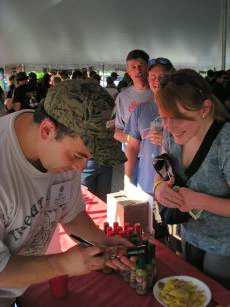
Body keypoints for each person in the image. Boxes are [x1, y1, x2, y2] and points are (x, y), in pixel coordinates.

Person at [0, 79, 132, 306]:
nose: (80, 168)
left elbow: (70, 213)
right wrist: (64, 265)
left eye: (88, 158)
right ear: (47, 130)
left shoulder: (61, 144)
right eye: (78, 156)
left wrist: (102, 242)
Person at [154, 69, 230, 288]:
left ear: (205, 108)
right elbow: (162, 171)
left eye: (177, 118)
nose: (168, 127)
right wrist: (159, 188)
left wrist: (198, 200)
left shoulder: (224, 143)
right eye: (164, 117)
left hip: (223, 245)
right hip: (189, 234)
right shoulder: (171, 134)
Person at [124, 58, 175, 194]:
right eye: (153, 76)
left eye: (162, 77)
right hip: (145, 183)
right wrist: (127, 178)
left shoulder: (181, 109)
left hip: (173, 185)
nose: (157, 81)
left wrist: (168, 139)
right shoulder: (141, 110)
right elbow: (132, 146)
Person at [114, 49, 154, 185]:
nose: (137, 70)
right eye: (133, 67)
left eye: (141, 66)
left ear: (148, 67)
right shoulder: (122, 98)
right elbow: (115, 131)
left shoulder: (158, 94)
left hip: (155, 157)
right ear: (128, 71)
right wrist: (132, 138)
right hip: (132, 158)